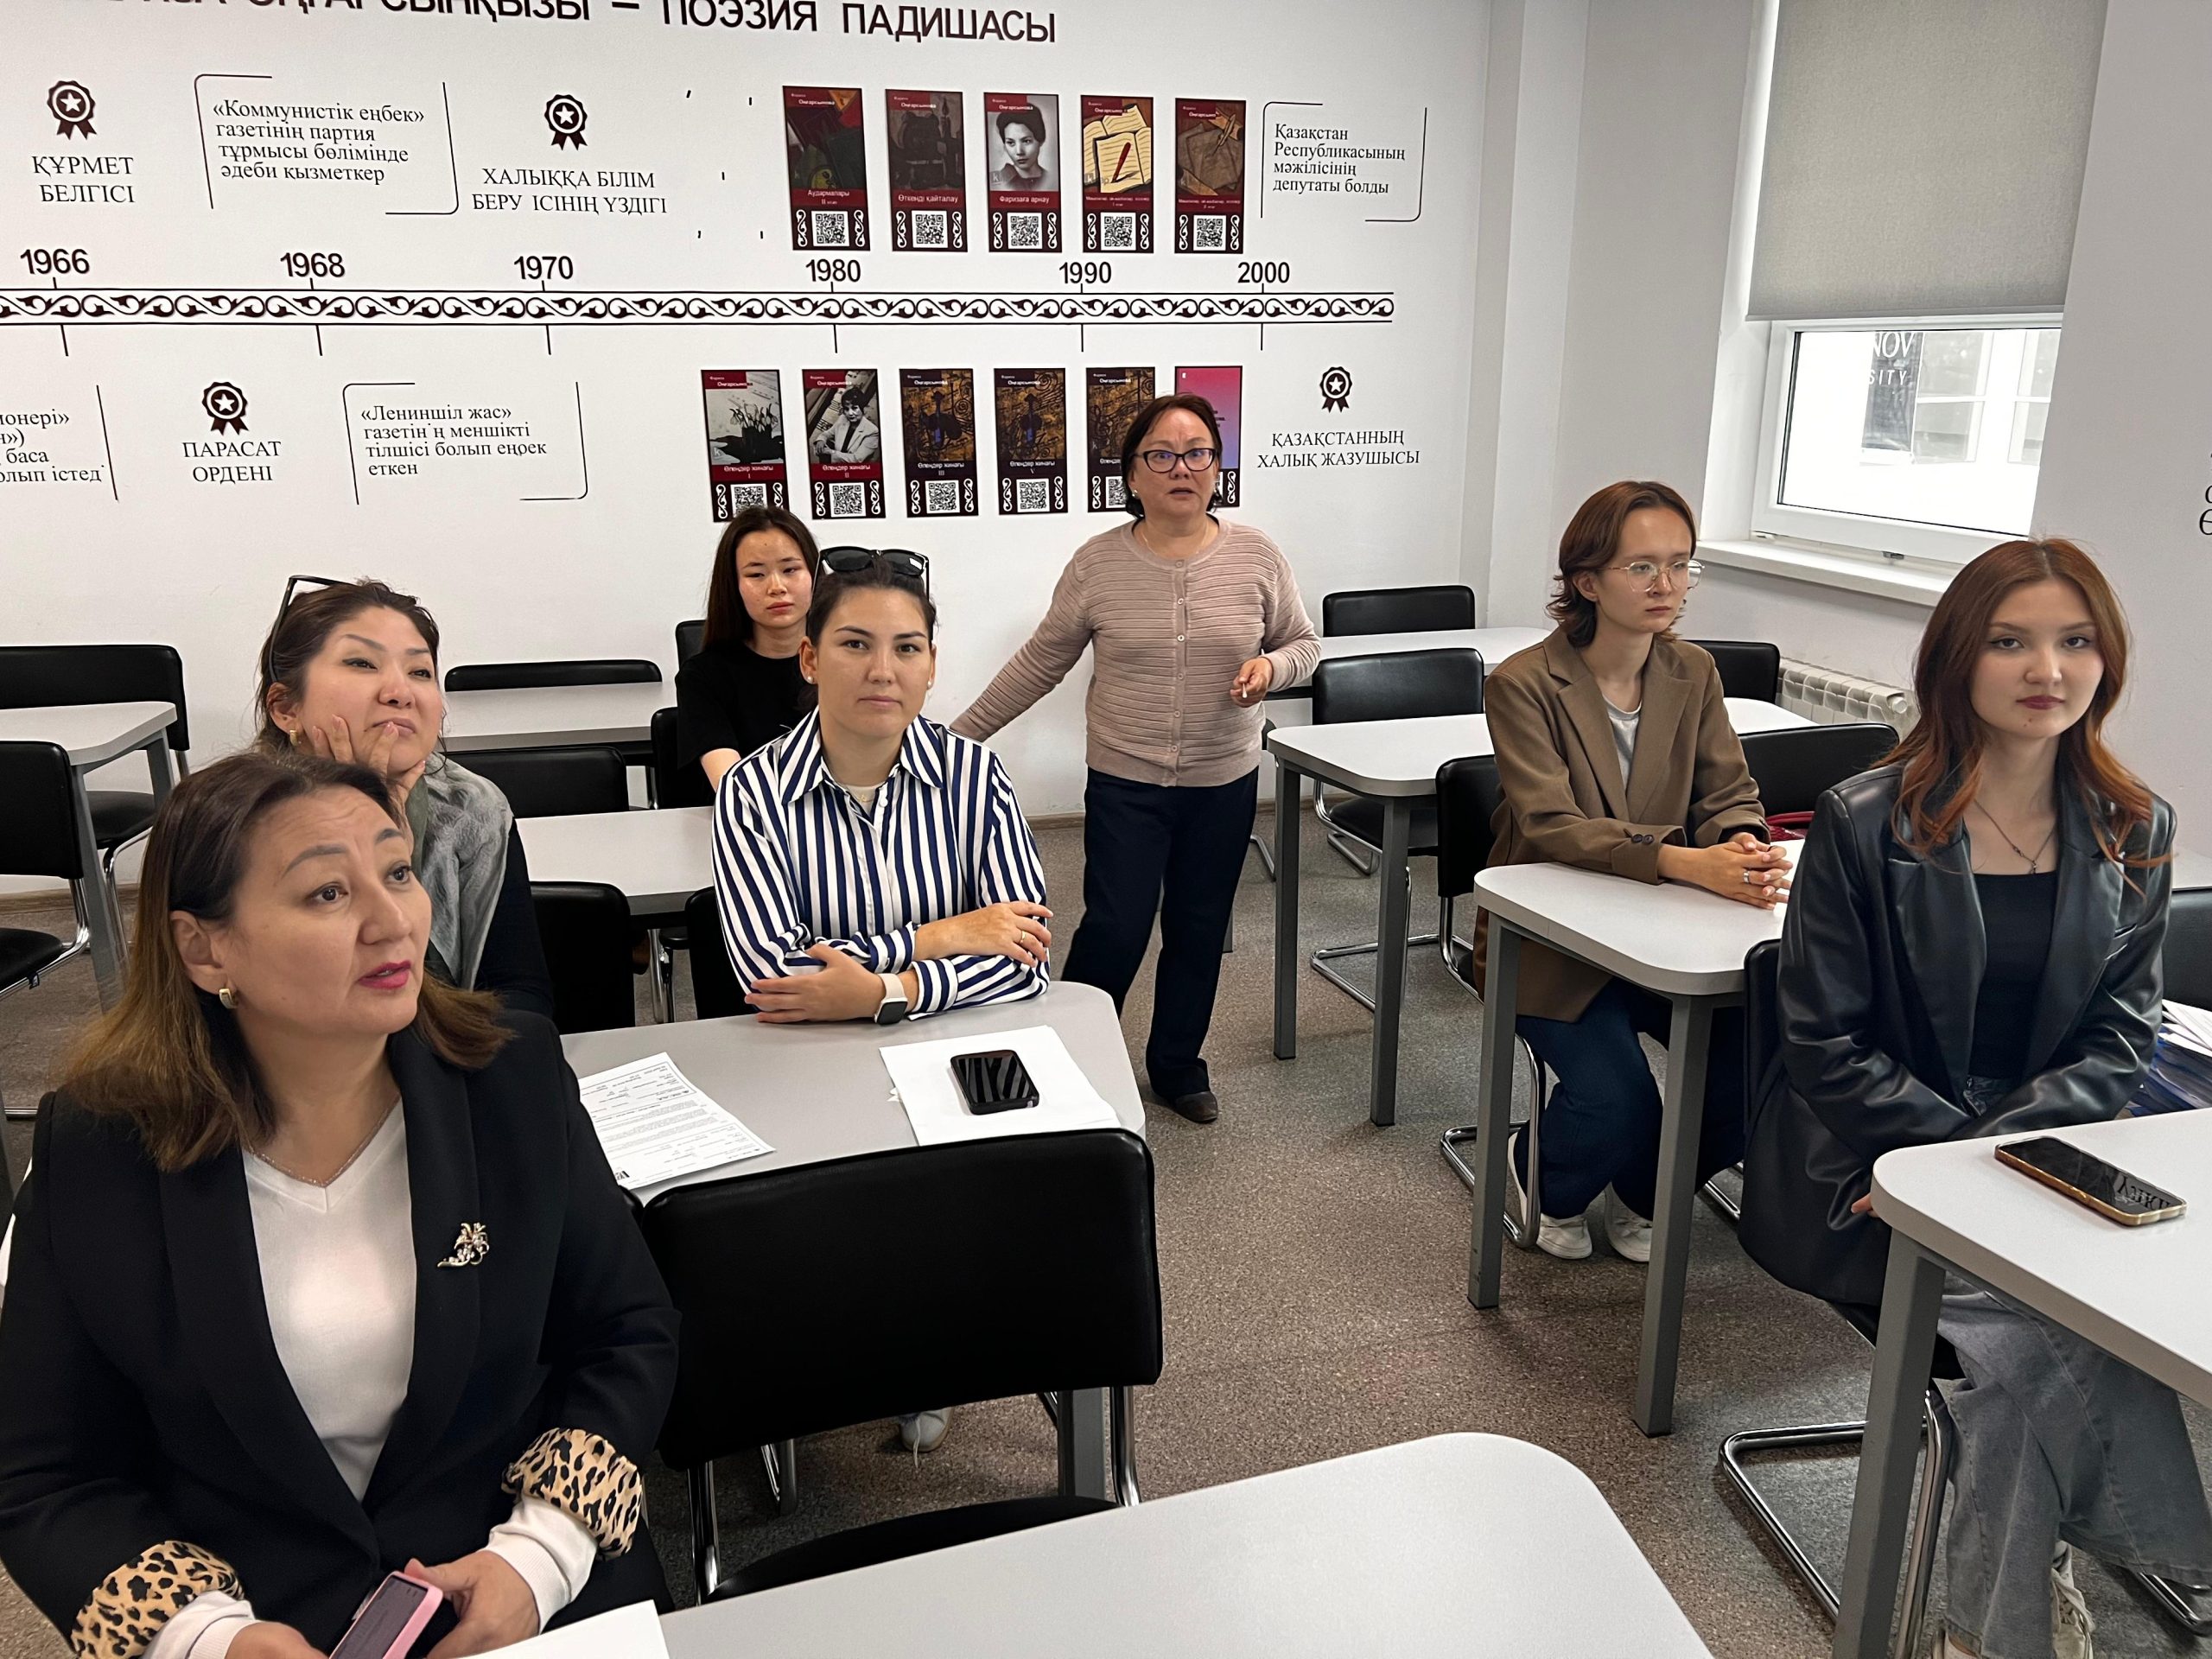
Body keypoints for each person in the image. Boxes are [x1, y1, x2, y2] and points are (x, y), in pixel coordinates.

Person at [0, 751, 677, 1659]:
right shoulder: (99, 1149)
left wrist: (539, 1557)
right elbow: (47, 1474)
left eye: (397, 872)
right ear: (204, 949)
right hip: (257, 1612)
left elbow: (627, 1334)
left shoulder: (510, 1079)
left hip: (519, 1595)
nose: (393, 921)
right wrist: (203, 1638)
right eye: (327, 893)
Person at [1741, 540, 2212, 1659]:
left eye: (2074, 641)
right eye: (2010, 641)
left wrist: (1997, 1162)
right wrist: (1948, 1172)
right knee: (2049, 1337)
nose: (2047, 668)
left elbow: (2118, 1035)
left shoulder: (2134, 826)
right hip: (1868, 1157)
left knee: (2020, 1363)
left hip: (2055, 1149)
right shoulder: (1864, 819)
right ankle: (2148, 1559)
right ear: (1958, 658)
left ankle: (1984, 1631)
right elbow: (1825, 1045)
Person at [711, 553, 1050, 1457]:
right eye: (855, 644)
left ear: (932, 665)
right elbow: (771, 971)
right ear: (810, 658)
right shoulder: (754, 792)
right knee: (830, 1226)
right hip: (805, 1062)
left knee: (981, 1209)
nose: (882, 670)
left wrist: (884, 992)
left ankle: (929, 1351)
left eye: (907, 648)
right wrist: (943, 936)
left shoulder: (975, 776)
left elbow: (1025, 957)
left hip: (955, 1043)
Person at [952, 393, 1318, 1125]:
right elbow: (1041, 662)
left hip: (1223, 780)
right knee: (1115, 926)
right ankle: (1065, 1060)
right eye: (1161, 454)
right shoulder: (1098, 564)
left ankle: (1177, 1067)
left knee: (1198, 928)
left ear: (1217, 468)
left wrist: (1271, 670)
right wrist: (952, 741)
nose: (1181, 468)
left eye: (1198, 453)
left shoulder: (1257, 555)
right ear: (1131, 475)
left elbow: (1303, 645)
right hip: (1126, 780)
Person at [1477, 480, 1784, 1260]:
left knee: (1761, 1073)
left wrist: (1739, 842)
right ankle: (1540, 1173)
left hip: (1665, 932)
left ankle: (1644, 1190)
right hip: (1549, 943)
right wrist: (1687, 861)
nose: (1666, 585)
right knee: (1620, 1103)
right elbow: (1551, 826)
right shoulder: (1522, 683)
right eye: (1642, 567)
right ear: (1587, 581)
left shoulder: (1693, 671)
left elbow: (1729, 789)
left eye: (1681, 565)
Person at [256, 577, 554, 1020]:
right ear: (286, 708)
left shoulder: (470, 807)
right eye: (361, 663)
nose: (400, 692)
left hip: (446, 1054)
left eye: (420, 672)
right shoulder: (235, 823)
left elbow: (520, 997)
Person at [676, 505, 820, 791]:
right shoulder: (703, 677)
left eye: (790, 570)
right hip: (750, 815)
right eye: (756, 575)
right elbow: (733, 787)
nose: (776, 587)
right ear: (734, 586)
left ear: (814, 575)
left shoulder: (847, 664)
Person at [990, 105, 1052, 191]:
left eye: (1026, 141)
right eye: (1011, 143)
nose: (1019, 151)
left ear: (1040, 140)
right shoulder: (996, 182)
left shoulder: (1053, 180)